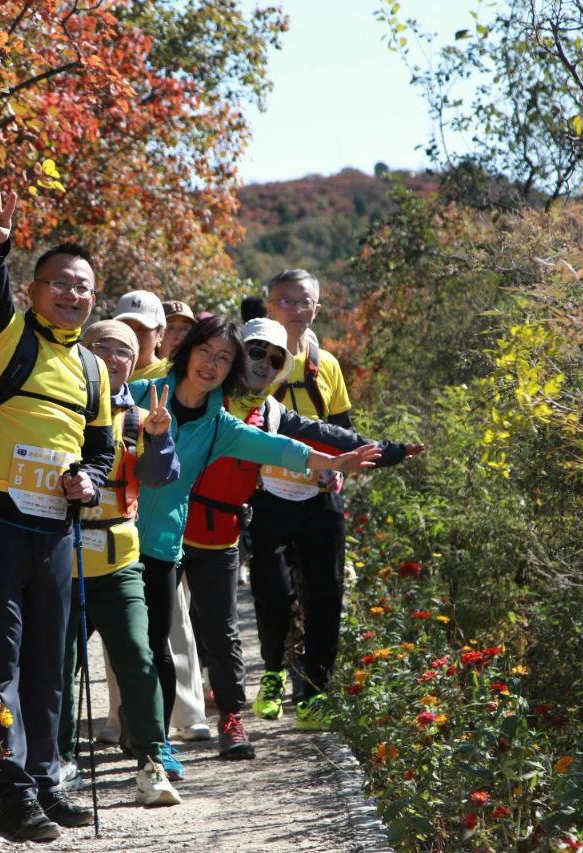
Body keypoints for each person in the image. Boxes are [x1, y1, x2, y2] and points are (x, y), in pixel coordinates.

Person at [127, 315, 381, 780]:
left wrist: (336, 460)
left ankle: (158, 742)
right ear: (187, 351)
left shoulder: (220, 423)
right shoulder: (144, 392)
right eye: (206, 351)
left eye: (225, 359)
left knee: (163, 643)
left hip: (163, 543)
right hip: (119, 538)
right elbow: (94, 413)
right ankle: (71, 744)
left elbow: (279, 448)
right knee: (126, 641)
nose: (212, 364)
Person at [0, 187, 115, 842]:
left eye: (83, 289)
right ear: (36, 290)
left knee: (50, 657)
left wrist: (88, 479)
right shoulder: (6, 335)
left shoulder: (96, 371)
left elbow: (101, 449)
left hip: (53, 524)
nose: (72, 296)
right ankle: (10, 791)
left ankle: (46, 777)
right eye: (60, 285)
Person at [181, 319, 424, 758]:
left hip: (222, 530)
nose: (264, 364)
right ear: (237, 353)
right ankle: (149, 733)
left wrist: (389, 451)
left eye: (274, 360)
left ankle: (235, 717)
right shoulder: (201, 392)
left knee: (224, 627)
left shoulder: (272, 414)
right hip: (170, 521)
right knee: (164, 623)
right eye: (256, 352)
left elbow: (329, 437)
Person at [55, 320, 182, 807]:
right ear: (85, 355)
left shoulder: (138, 416)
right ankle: (62, 763)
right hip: (62, 559)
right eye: (102, 348)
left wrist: (159, 437)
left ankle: (152, 761)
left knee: (137, 655)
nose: (112, 358)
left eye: (123, 351)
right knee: (61, 664)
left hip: (119, 558)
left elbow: (159, 476)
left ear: (136, 360)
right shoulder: (63, 409)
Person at [251, 269, 362, 730]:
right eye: (285, 302)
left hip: (319, 495)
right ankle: (274, 671)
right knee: (273, 591)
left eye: (304, 302)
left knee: (327, 593)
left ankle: (316, 693)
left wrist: (343, 465)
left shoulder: (327, 364)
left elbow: (342, 429)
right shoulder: (255, 359)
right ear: (268, 307)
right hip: (269, 494)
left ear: (317, 307)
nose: (296, 310)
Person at [114, 290, 170, 380]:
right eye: (126, 327)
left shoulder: (170, 375)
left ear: (160, 335)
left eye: (142, 329)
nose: (133, 336)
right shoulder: (98, 371)